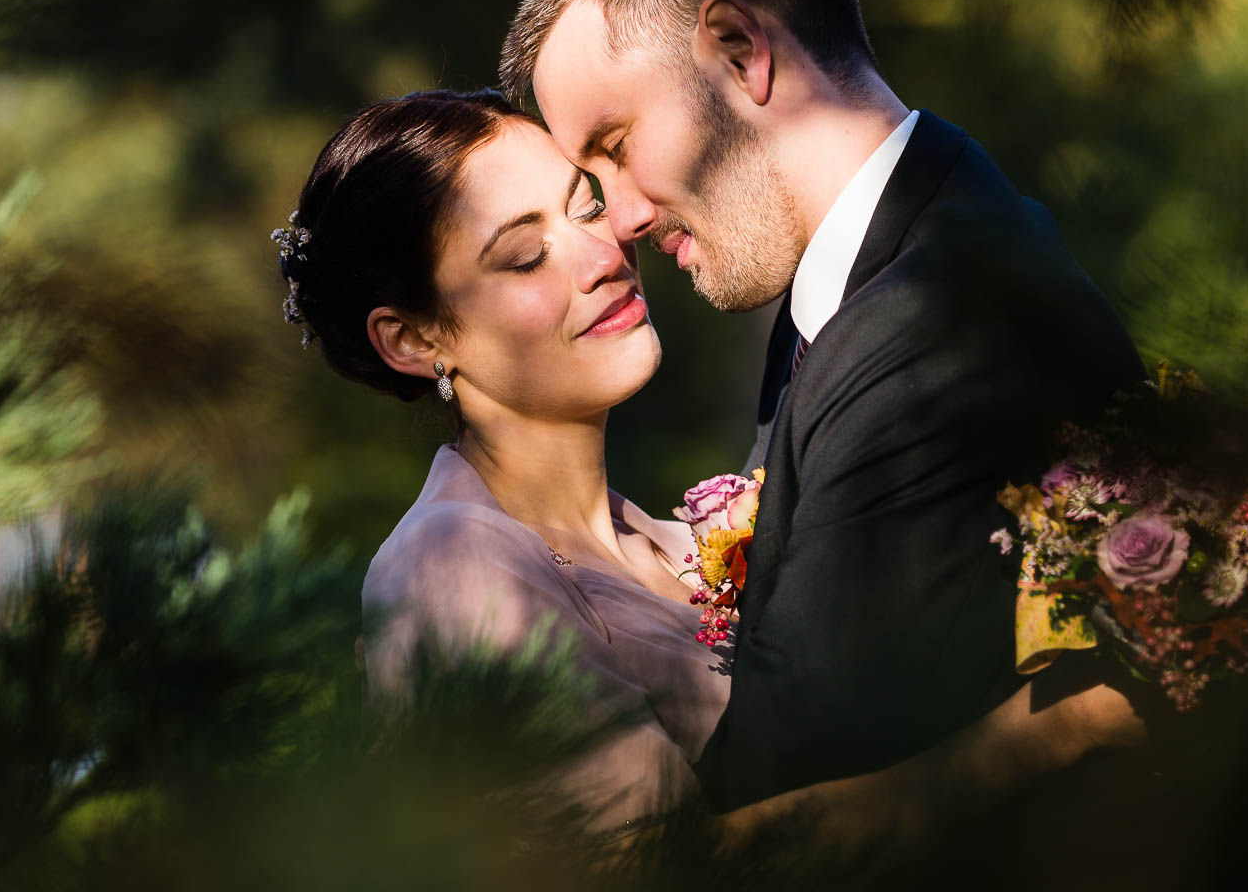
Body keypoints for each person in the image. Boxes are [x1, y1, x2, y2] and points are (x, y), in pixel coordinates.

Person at [277, 89, 1141, 843]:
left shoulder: (685, 542)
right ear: (413, 338)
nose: (605, 254)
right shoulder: (453, 566)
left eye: (585, 208)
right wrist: (1062, 731)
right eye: (525, 255)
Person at [497, 0, 1147, 810]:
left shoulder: (927, 336)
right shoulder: (877, 281)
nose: (622, 219)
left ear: (738, 50)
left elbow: (789, 793)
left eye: (615, 144)